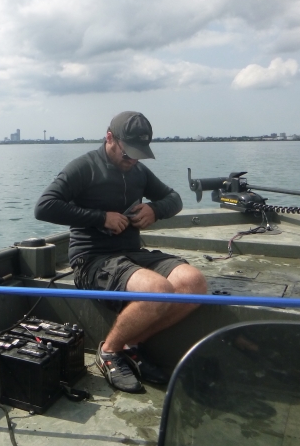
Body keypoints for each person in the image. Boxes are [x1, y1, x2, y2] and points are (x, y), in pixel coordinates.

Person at [34, 111, 207, 393]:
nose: (132, 160)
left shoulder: (138, 170)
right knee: (158, 289)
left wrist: (155, 209)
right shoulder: (84, 167)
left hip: (131, 254)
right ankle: (110, 352)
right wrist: (101, 218)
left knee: (195, 284)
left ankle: (131, 345)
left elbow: (173, 199)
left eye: (138, 155)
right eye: (128, 153)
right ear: (109, 138)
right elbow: (44, 206)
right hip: (92, 259)